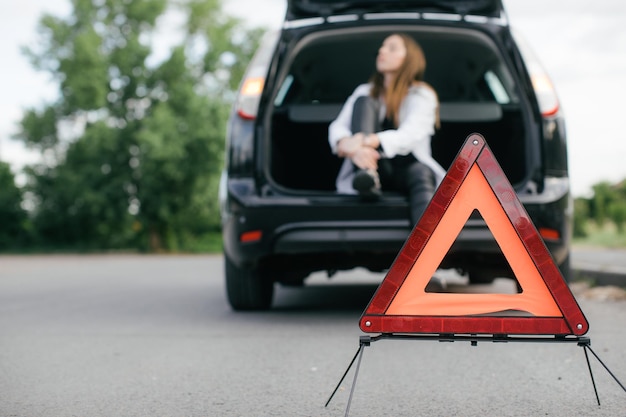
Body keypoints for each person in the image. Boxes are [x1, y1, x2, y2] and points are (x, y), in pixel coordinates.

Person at [328, 33, 446, 225]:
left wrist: (365, 141)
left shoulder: (422, 94)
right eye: (381, 48)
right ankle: (366, 175)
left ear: (409, 58)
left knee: (421, 172)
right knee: (364, 102)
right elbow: (338, 128)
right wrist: (350, 147)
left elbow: (410, 135)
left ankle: (427, 242)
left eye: (391, 48)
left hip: (407, 168)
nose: (382, 51)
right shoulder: (364, 91)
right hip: (370, 167)